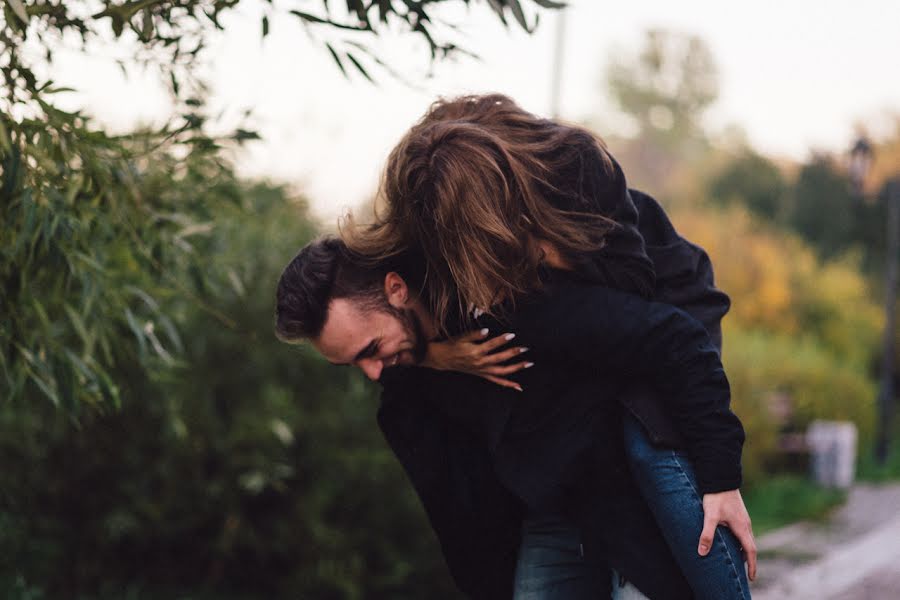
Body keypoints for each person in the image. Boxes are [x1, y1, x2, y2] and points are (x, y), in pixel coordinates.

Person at [338, 94, 755, 598]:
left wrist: (721, 479)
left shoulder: (578, 172)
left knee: (653, 451)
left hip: (671, 303)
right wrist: (433, 355)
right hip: (609, 353)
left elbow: (648, 307)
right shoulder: (443, 251)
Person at [275, 237, 747, 599]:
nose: (373, 373)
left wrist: (721, 474)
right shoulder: (407, 388)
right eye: (352, 364)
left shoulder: (510, 301)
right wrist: (435, 357)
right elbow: (459, 521)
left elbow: (673, 340)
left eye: (371, 350)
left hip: (628, 500)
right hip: (551, 516)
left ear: (396, 289)